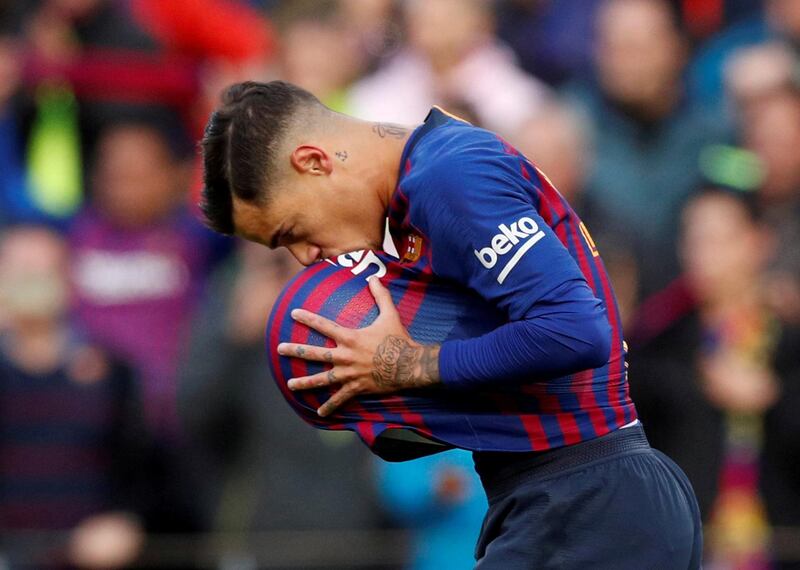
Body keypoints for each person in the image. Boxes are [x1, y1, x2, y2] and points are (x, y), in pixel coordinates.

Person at [199, 80, 702, 569]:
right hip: (569, 497)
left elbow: (575, 328)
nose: (307, 256)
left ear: (314, 162)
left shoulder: (447, 175)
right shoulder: (424, 187)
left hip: (592, 499)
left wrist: (413, 364)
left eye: (291, 231)